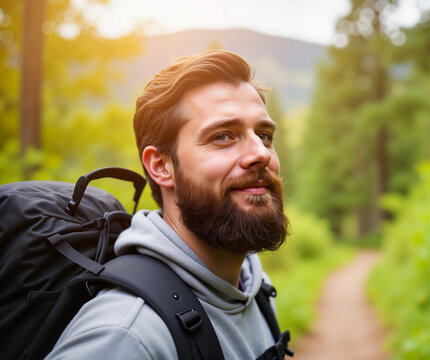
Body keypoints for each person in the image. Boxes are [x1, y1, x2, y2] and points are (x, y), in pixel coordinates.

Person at [45, 50, 289, 359]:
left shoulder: (255, 286)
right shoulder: (126, 335)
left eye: (264, 135)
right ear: (161, 166)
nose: (262, 154)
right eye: (224, 136)